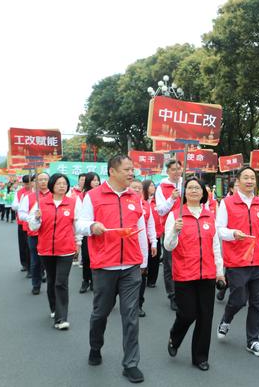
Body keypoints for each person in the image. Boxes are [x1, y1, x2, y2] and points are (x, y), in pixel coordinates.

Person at [75, 155, 149, 383]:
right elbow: (80, 223)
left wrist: (143, 260)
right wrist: (92, 226)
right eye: (127, 169)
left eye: (132, 170)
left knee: (131, 316)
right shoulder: (93, 196)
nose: (131, 173)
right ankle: (95, 347)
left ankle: (131, 364)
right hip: (104, 266)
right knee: (101, 313)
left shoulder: (135, 197)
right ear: (112, 171)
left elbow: (140, 229)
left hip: (130, 266)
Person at [215, 167, 259, 357]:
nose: (250, 181)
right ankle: (226, 318)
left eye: (252, 178)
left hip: (258, 260)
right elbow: (219, 230)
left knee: (258, 302)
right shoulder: (227, 203)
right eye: (246, 177)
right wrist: (233, 234)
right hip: (237, 260)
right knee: (239, 300)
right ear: (238, 181)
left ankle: (253, 340)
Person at [164, 177, 225, 371]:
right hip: (184, 274)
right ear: (184, 193)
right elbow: (168, 245)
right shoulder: (175, 216)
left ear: (203, 193)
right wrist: (174, 230)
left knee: (205, 317)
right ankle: (175, 335)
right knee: (188, 313)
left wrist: (219, 272)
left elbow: (216, 247)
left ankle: (200, 357)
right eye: (189, 188)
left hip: (207, 274)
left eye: (197, 188)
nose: (193, 191)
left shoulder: (209, 216)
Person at [28, 173, 77, 330]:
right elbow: (32, 226)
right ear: (52, 186)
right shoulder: (41, 203)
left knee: (61, 282)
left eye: (64, 183)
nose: (62, 186)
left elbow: (79, 225)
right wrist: (36, 218)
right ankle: (54, 308)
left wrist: (79, 242)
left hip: (66, 249)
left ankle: (61, 318)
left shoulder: (73, 203)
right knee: (51, 280)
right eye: (58, 183)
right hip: (46, 249)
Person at [155, 159, 183, 311]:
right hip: (170, 229)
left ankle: (184, 292)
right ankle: (172, 295)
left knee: (185, 260)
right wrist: (172, 198)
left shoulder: (187, 184)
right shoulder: (162, 187)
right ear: (168, 171)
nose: (177, 171)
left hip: (187, 227)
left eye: (179, 168)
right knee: (170, 263)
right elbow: (160, 210)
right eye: (173, 169)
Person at [19, 173, 51, 294]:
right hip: (34, 234)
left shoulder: (54, 196)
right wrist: (33, 218)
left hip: (49, 234)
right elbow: (21, 214)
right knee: (35, 260)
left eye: (45, 179)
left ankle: (51, 284)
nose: (43, 182)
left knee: (49, 261)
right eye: (40, 180)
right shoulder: (29, 197)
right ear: (35, 182)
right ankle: (36, 284)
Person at [130, 180, 157, 318]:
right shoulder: (125, 203)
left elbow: (150, 225)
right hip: (127, 247)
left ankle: (139, 304)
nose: (137, 190)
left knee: (141, 275)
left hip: (142, 245)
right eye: (134, 187)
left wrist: (154, 243)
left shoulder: (146, 205)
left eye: (139, 188)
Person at [77, 172, 101, 294]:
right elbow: (80, 218)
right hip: (88, 231)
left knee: (96, 258)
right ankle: (85, 280)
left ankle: (94, 281)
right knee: (86, 258)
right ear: (88, 182)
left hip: (101, 231)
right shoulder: (82, 196)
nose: (96, 182)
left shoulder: (103, 195)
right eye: (93, 180)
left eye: (97, 180)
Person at [142, 179, 163, 288]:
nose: (153, 187)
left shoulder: (157, 202)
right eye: (150, 185)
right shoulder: (141, 201)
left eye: (154, 185)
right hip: (143, 235)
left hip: (156, 234)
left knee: (155, 258)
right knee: (145, 256)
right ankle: (143, 275)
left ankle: (152, 280)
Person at [12, 175, 33, 271]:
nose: (28, 185)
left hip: (34, 224)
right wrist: (23, 204)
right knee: (23, 244)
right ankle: (24, 263)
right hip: (22, 222)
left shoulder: (36, 192)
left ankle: (34, 265)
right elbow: (14, 206)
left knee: (32, 246)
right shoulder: (19, 192)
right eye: (26, 183)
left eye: (29, 183)